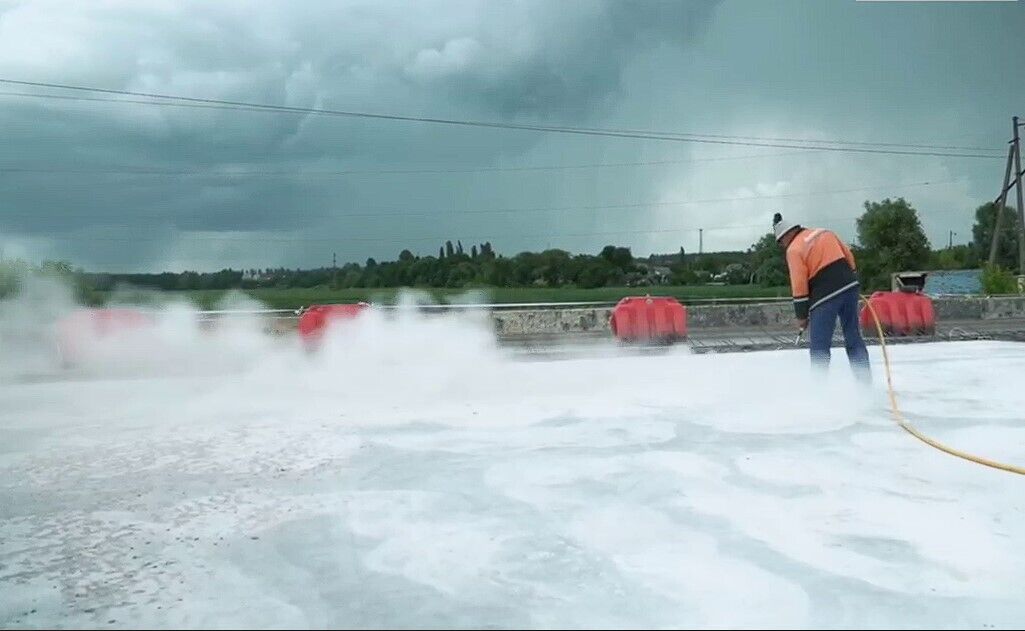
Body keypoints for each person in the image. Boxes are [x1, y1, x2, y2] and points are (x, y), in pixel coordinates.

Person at [773, 212, 870, 381]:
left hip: (825, 297)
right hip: (849, 287)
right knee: (853, 337)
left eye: (781, 242)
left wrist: (802, 316)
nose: (782, 246)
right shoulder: (825, 232)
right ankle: (865, 384)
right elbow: (849, 256)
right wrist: (851, 279)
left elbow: (799, 284)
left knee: (820, 345)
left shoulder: (794, 249)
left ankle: (819, 390)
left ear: (787, 234)